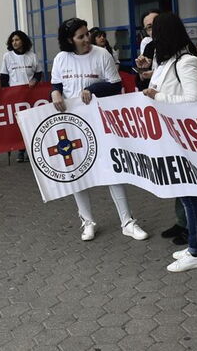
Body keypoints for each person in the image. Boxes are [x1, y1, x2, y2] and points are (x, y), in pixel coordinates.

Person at [51, 17, 149, 242]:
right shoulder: (61, 58)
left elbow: (115, 85)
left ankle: (127, 222)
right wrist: (54, 93)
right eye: (81, 37)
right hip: (72, 124)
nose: (87, 39)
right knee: (77, 173)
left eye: (87, 34)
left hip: (99, 122)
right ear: (69, 40)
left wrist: (93, 89)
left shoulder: (101, 54)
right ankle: (87, 221)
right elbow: (56, 85)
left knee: (111, 170)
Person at [142, 12, 197, 272]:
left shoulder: (186, 62)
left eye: (154, 31)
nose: (151, 37)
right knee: (184, 193)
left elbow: (194, 101)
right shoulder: (166, 61)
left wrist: (157, 97)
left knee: (191, 195)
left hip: (185, 138)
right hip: (170, 137)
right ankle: (195, 243)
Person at [0, 30, 43, 162]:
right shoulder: (7, 56)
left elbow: (38, 73)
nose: (14, 42)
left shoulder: (32, 56)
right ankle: (20, 150)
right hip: (15, 97)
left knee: (30, 123)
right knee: (18, 124)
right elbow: (4, 77)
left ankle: (29, 150)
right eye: (12, 40)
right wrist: (6, 94)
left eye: (17, 40)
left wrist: (35, 81)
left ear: (23, 41)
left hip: (30, 96)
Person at [135, 9, 160, 92]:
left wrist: (154, 74)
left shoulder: (181, 46)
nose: (154, 29)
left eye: (157, 23)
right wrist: (142, 70)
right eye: (149, 27)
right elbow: (143, 86)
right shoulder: (149, 47)